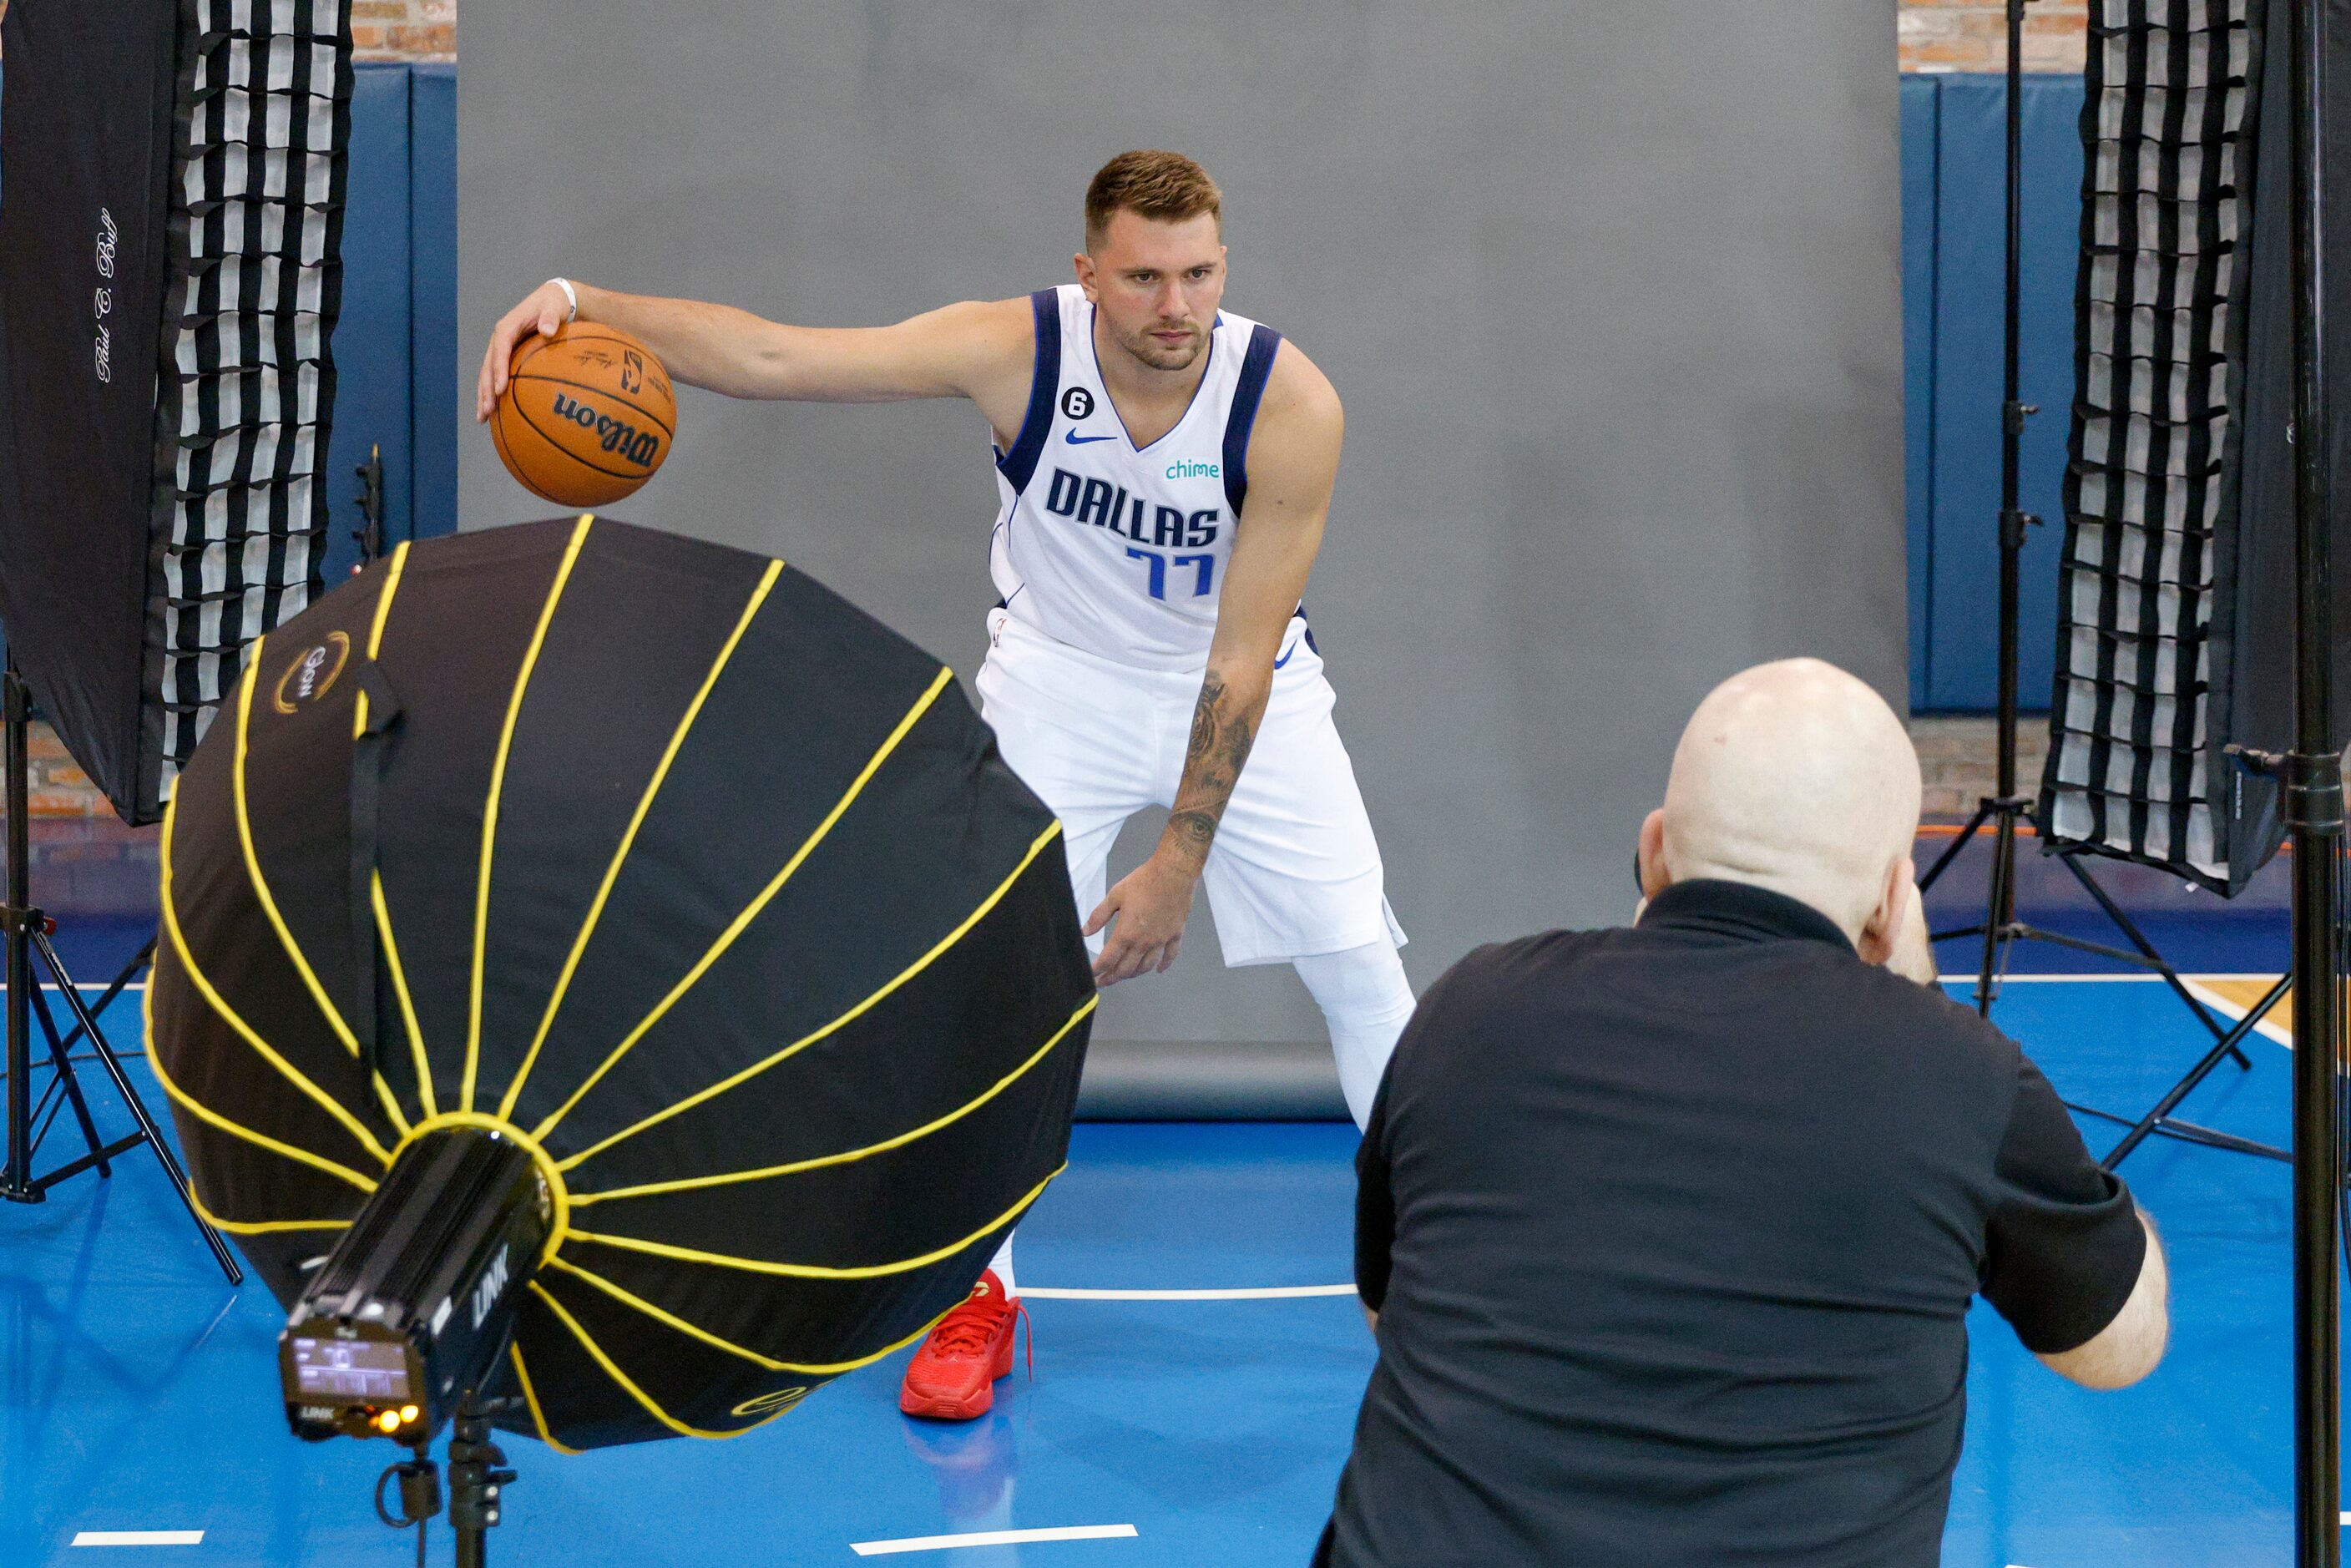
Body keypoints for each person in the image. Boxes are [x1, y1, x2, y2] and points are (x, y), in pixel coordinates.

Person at [477, 150, 1415, 1422]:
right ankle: (981, 1291)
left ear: (1223, 268)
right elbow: (777, 359)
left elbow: (1243, 658)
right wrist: (580, 298)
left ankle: (1445, 1268)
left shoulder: (1288, 403)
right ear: (1091, 275)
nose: (1174, 307)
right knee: (996, 992)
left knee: (1362, 968)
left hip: (1240, 684)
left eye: (1198, 274)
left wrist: (1177, 867)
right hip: (1060, 683)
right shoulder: (1015, 351)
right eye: (1143, 278)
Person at [1317, 658, 2167, 1567]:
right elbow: (2116, 1346)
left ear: (1652, 848)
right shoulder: (1964, 1079)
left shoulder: (1468, 1006)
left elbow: (1388, 1307)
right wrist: (1916, 998)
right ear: (1891, 903)